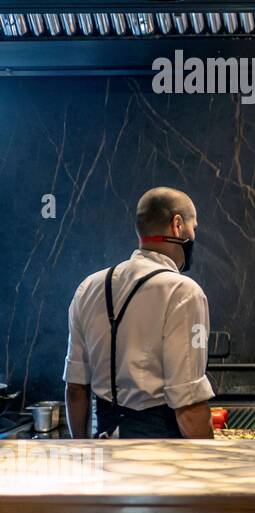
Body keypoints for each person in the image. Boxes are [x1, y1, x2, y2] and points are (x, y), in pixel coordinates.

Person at [63, 187, 215, 439]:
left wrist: (83, 453)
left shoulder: (88, 287)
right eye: (194, 228)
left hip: (104, 447)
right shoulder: (183, 291)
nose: (193, 236)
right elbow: (188, 406)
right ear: (177, 226)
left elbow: (75, 390)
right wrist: (215, 469)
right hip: (160, 455)